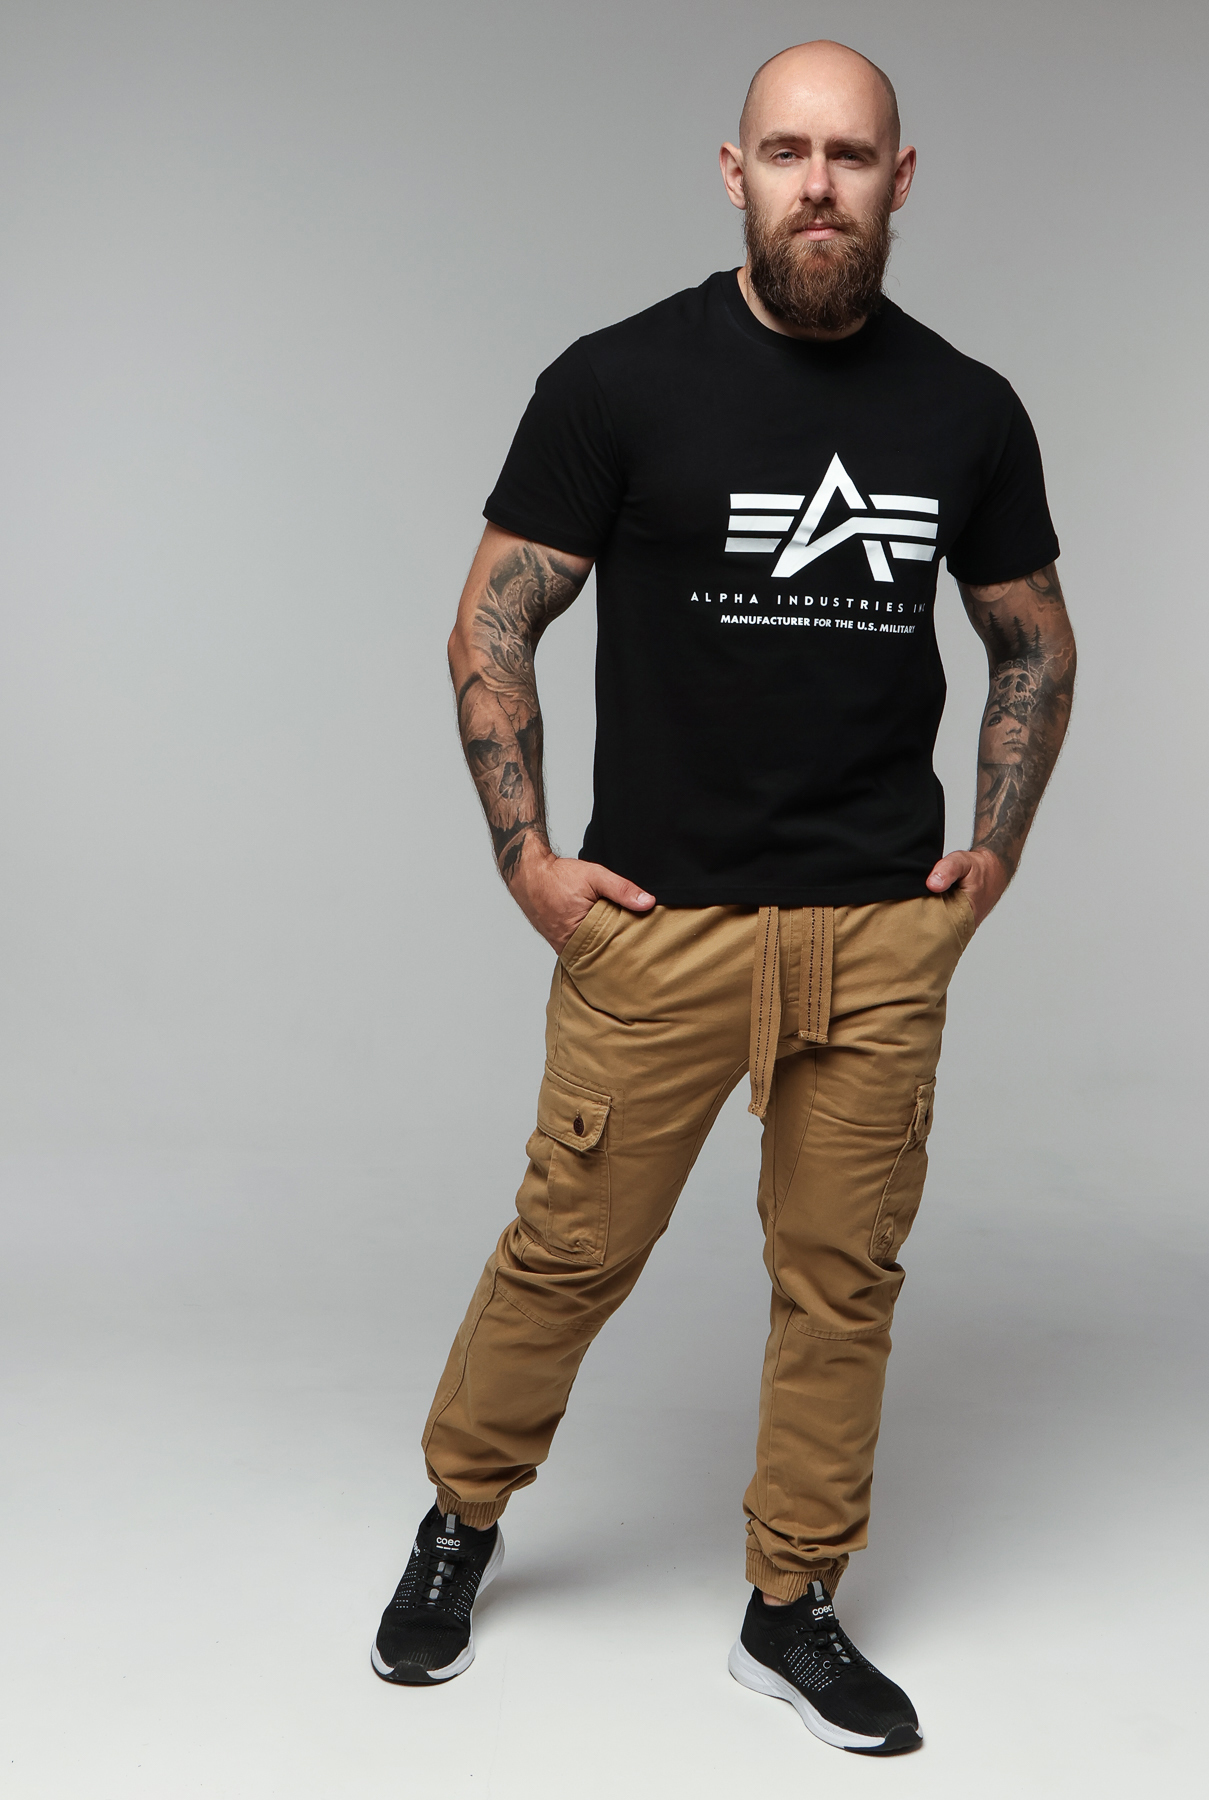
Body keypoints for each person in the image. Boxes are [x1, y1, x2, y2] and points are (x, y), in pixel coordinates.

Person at [370, 38, 1076, 1756]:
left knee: (842, 1278)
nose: (817, 185)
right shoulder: (618, 381)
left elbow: (1031, 642)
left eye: (851, 155)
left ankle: (792, 1601)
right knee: (567, 1250)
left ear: (900, 179)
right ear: (732, 170)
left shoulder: (965, 409)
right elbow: (490, 621)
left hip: (877, 929)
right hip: (658, 927)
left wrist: (988, 854)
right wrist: (527, 860)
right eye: (785, 151)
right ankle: (461, 1516)